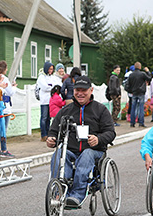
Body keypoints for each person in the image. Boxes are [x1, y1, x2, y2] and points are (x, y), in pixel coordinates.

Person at [46, 76, 116, 207]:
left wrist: (98, 139)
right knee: (59, 153)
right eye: (77, 90)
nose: (80, 93)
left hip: (94, 151)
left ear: (91, 90)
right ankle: (59, 189)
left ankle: (76, 195)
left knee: (87, 154)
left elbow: (111, 133)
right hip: (71, 150)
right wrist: (51, 139)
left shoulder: (100, 110)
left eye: (84, 90)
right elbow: (54, 130)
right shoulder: (66, 111)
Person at [0, 60, 17, 158]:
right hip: (4, 107)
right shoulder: (5, 79)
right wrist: (14, 87)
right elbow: (10, 92)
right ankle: (3, 149)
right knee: (3, 129)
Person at [37, 61, 62, 141]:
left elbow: (58, 85)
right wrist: (52, 87)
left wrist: (51, 87)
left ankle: (48, 133)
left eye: (52, 69)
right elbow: (44, 87)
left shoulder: (53, 77)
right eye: (49, 69)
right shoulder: (41, 77)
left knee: (48, 118)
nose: (51, 70)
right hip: (44, 101)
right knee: (44, 117)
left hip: (52, 101)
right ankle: (43, 134)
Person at [127, 62, 151, 128]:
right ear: (140, 67)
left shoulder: (131, 75)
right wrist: (148, 71)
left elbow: (128, 84)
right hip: (141, 92)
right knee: (141, 108)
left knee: (133, 108)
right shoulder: (142, 74)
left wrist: (130, 91)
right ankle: (141, 123)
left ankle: (132, 123)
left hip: (134, 92)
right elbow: (149, 78)